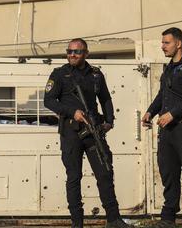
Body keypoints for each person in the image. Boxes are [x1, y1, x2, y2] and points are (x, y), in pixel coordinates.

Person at [44, 39, 128, 228]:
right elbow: (49, 101)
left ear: (86, 54)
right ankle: (77, 223)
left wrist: (109, 120)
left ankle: (114, 220)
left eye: (77, 52)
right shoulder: (59, 74)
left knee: (105, 172)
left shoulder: (96, 75)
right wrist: (71, 112)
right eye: (69, 51)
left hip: (93, 131)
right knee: (74, 176)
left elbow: (105, 98)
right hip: (71, 132)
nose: (72, 55)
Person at [141, 27, 182, 228]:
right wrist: (150, 112)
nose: (162, 47)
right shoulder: (168, 67)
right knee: (168, 173)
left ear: (178, 43)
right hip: (167, 130)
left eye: (166, 43)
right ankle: (168, 217)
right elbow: (162, 95)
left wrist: (172, 114)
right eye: (162, 43)